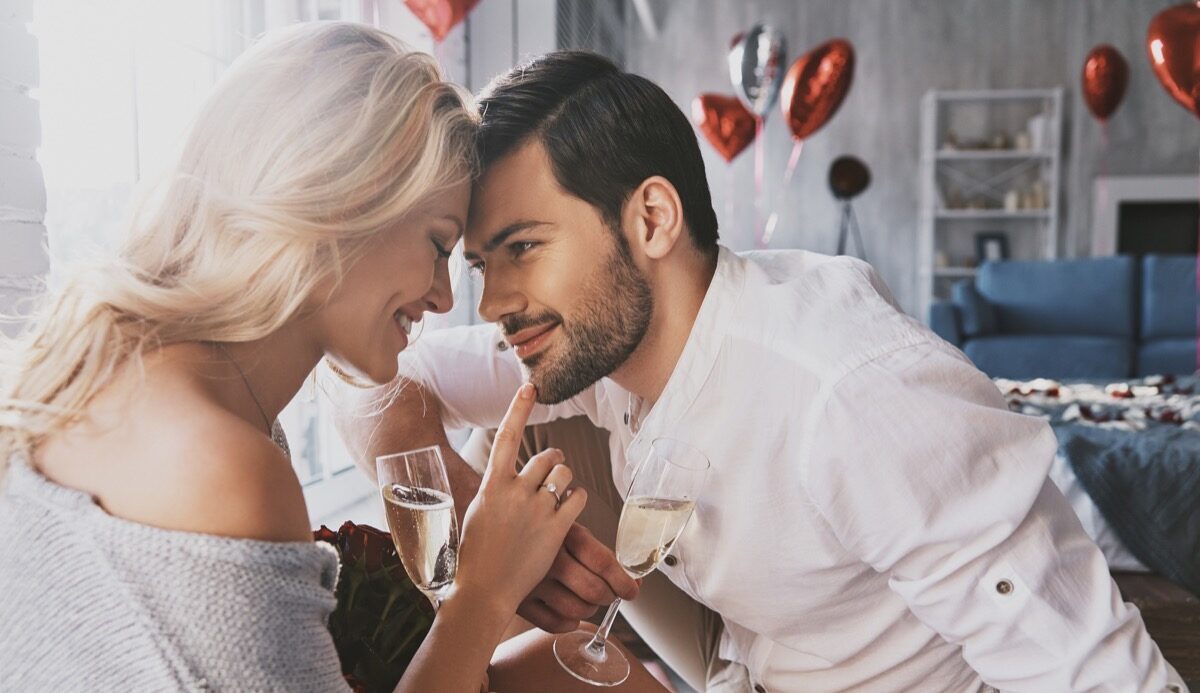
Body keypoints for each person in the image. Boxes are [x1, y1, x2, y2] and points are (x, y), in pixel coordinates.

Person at [342, 51, 1187, 692]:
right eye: (485, 263)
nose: (492, 301)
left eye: (523, 247)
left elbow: (1101, 674)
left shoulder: (853, 393)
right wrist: (484, 530)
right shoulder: (597, 339)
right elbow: (366, 380)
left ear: (652, 217)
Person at [0, 24, 669, 692]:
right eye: (438, 246)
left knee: (566, 665)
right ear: (343, 204)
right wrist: (485, 591)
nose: (442, 298)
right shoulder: (225, 466)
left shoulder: (117, 375)